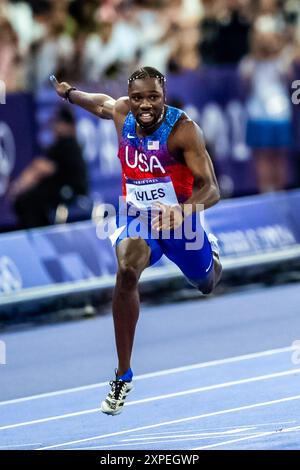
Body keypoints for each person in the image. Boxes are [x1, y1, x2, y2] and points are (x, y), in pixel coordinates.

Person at [50, 66, 222, 415]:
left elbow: (211, 187)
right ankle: (122, 375)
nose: (145, 105)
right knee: (127, 271)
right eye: (138, 97)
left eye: (153, 98)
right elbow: (99, 104)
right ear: (130, 97)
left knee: (206, 282)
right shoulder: (122, 112)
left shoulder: (184, 130)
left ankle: (211, 251)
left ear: (164, 96)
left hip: (180, 222)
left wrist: (184, 212)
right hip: (136, 218)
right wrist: (69, 93)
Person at [10, 106, 88, 229]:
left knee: (29, 199)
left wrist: (19, 186)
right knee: (31, 196)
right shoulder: (64, 144)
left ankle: (39, 231)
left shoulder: (67, 144)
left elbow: (42, 168)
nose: (54, 127)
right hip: (63, 187)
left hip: (71, 190)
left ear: (65, 124)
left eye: (57, 122)